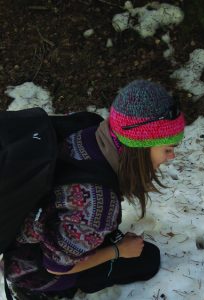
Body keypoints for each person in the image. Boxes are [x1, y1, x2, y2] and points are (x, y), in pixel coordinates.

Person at [3, 79, 185, 299]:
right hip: (31, 267)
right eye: (167, 149)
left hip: (31, 233)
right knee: (147, 260)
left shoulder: (89, 128)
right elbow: (57, 266)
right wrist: (119, 251)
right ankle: (42, 291)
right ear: (140, 147)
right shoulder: (96, 204)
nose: (171, 157)